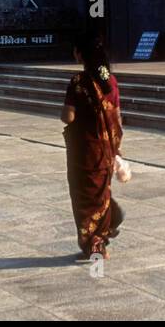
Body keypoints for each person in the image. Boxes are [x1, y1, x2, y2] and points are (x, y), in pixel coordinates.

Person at [61, 33, 124, 260]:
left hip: (84, 150)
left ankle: (95, 245)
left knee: (84, 197)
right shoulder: (111, 82)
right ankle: (105, 230)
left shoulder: (79, 82)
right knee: (101, 193)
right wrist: (115, 146)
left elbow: (68, 117)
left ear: (81, 54)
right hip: (106, 149)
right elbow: (117, 116)